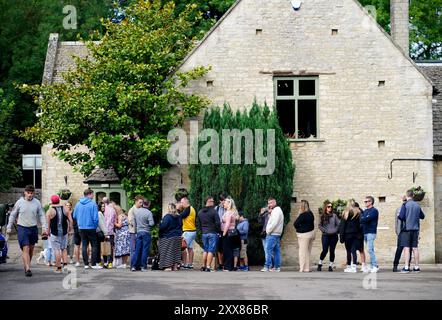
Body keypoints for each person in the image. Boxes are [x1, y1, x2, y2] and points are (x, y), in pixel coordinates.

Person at [6, 185, 47, 277]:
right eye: (28, 193)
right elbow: (13, 214)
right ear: (25, 192)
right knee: (26, 248)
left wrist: (45, 227)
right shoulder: (19, 202)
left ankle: (27, 265)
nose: (30, 195)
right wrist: (9, 226)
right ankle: (28, 269)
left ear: (33, 193)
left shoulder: (37, 202)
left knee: (31, 249)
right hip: (22, 227)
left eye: (31, 193)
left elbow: (41, 215)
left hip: (33, 228)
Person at [73, 188, 101, 269]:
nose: (93, 195)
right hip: (91, 227)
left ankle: (86, 264)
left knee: (84, 245)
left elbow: (74, 216)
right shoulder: (93, 204)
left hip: (81, 227)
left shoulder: (78, 204)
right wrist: (95, 226)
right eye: (92, 194)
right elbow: (96, 218)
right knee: (94, 246)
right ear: (89, 194)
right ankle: (93, 264)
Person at [399, 189, 425, 273]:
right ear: (413, 196)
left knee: (406, 248)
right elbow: (422, 216)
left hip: (407, 229)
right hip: (415, 229)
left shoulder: (405, 205)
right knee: (415, 248)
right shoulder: (417, 205)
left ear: (407, 196)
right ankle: (416, 267)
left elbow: (401, 217)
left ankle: (406, 267)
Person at [46, 195, 72, 273]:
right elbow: (71, 220)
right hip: (64, 232)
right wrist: (70, 228)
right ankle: (66, 266)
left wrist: (48, 231)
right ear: (59, 200)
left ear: (52, 201)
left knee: (56, 250)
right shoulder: (65, 208)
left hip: (54, 233)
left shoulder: (50, 211)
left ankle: (59, 268)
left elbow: (48, 223)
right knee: (64, 249)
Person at [197, 196, 221, 272]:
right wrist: (219, 231)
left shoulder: (200, 212)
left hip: (204, 233)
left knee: (205, 250)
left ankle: (203, 266)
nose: (213, 203)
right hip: (213, 233)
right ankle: (208, 267)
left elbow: (198, 224)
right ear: (208, 202)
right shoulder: (214, 211)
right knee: (211, 250)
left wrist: (202, 231)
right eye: (212, 201)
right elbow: (218, 223)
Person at [339, 200, 363, 273]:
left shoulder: (345, 213)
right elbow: (360, 225)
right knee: (353, 251)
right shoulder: (358, 213)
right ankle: (354, 267)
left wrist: (341, 237)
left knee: (348, 251)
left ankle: (349, 266)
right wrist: (360, 234)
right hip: (355, 234)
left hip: (347, 235)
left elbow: (342, 226)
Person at [261, 197, 284, 272]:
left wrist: (268, 230)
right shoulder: (276, 210)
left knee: (268, 250)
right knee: (276, 251)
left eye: (271, 203)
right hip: (276, 233)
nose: (269, 204)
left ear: (275, 202)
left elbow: (274, 223)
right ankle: (276, 267)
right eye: (268, 203)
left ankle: (267, 266)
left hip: (272, 234)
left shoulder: (277, 210)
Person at [131, 199, 154, 272]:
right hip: (146, 232)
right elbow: (151, 223)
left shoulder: (137, 212)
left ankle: (134, 266)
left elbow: (134, 221)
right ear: (149, 204)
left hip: (139, 232)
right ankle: (143, 266)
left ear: (143, 204)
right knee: (145, 249)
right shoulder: (149, 213)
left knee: (137, 249)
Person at [158, 203, 182, 271]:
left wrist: (160, 230)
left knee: (167, 251)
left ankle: (168, 266)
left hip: (168, 237)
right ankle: (175, 267)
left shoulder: (167, 217)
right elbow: (181, 226)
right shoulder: (179, 217)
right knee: (176, 252)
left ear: (169, 208)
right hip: (177, 236)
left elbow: (163, 227)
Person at [317, 201, 340, 272]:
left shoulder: (334, 215)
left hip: (334, 236)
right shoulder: (322, 216)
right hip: (325, 236)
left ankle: (330, 266)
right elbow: (319, 225)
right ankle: (320, 263)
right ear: (325, 207)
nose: (330, 208)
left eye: (331, 206)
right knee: (325, 250)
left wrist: (335, 230)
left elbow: (338, 224)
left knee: (332, 251)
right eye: (328, 206)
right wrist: (324, 231)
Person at [294, 200, 315, 272]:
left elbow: (295, 224)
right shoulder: (311, 213)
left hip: (304, 235)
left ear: (302, 206)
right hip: (311, 234)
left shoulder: (303, 215)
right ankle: (307, 268)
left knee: (302, 252)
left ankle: (302, 268)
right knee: (308, 252)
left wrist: (300, 229)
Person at [360, 196, 379, 273]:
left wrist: (363, 218)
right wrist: (363, 218)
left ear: (371, 202)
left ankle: (375, 266)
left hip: (371, 232)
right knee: (371, 249)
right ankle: (372, 266)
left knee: (369, 249)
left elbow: (366, 219)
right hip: (365, 232)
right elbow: (362, 219)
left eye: (366, 201)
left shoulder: (374, 211)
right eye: (364, 201)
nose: (365, 203)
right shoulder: (365, 211)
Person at [221, 197, 239, 272]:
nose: (223, 204)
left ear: (228, 204)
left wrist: (224, 233)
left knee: (227, 250)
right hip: (233, 233)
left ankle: (227, 267)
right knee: (231, 250)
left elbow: (227, 224)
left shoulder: (228, 213)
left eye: (224, 203)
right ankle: (231, 266)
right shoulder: (233, 212)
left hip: (228, 233)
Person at [180, 196, 197, 269]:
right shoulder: (192, 209)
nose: (181, 204)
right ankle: (190, 264)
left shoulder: (187, 209)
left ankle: (184, 264)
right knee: (190, 248)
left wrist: (177, 209)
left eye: (182, 202)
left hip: (188, 231)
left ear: (186, 202)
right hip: (193, 231)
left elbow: (180, 216)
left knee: (182, 248)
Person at [393, 196, 409, 272]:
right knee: (399, 249)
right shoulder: (398, 209)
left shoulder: (410, 209)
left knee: (409, 250)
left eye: (406, 200)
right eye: (404, 200)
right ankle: (395, 265)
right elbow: (396, 222)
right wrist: (397, 232)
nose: (405, 201)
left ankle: (407, 266)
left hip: (409, 231)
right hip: (401, 232)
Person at [102, 197, 116, 269]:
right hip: (110, 231)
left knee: (104, 246)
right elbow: (114, 220)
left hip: (103, 231)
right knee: (110, 247)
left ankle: (105, 262)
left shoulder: (102, 210)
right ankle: (110, 263)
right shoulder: (112, 210)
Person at [128, 196, 142, 263]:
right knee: (133, 249)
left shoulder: (140, 209)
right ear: (136, 202)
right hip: (133, 232)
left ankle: (137, 264)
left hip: (139, 231)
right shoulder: (132, 210)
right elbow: (131, 221)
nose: (141, 204)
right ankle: (133, 264)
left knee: (138, 248)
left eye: (141, 202)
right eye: (140, 202)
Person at [215, 193, 226, 271]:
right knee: (219, 248)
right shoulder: (216, 208)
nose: (224, 202)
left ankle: (226, 263)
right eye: (223, 200)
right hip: (219, 230)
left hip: (227, 230)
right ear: (220, 201)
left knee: (226, 247)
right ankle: (220, 263)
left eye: (225, 200)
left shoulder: (228, 208)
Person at [97, 202, 108, 267]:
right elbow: (101, 224)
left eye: (104, 206)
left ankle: (103, 262)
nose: (103, 207)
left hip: (101, 232)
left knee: (102, 247)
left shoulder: (101, 213)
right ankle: (104, 262)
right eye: (102, 206)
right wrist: (106, 233)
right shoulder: (99, 213)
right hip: (100, 233)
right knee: (103, 247)